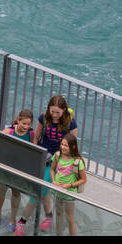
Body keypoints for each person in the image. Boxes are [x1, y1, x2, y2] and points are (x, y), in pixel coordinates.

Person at [14, 95, 78, 234]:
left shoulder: (70, 123)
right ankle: (49, 215)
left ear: (64, 111)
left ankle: (22, 220)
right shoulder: (43, 118)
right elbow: (36, 137)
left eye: (58, 113)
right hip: (42, 156)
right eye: (52, 111)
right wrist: (35, 154)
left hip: (57, 162)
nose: (54, 115)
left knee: (39, 189)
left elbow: (73, 145)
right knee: (44, 189)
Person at [0, 109, 36, 228]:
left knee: (16, 193)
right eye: (24, 123)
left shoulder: (31, 134)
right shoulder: (8, 132)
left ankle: (12, 220)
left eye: (28, 124)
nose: (26, 126)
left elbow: (35, 151)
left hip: (20, 169)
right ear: (18, 121)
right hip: (6, 167)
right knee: (2, 190)